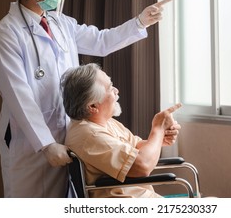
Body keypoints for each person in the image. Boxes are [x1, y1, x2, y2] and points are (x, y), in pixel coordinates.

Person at [0, 0, 171, 198]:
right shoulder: (6, 35)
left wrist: (140, 22)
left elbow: (102, 41)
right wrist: (46, 144)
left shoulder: (61, 23)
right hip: (29, 144)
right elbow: (19, 97)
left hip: (68, 134)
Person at [62, 63, 182, 198]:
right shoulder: (89, 135)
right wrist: (158, 129)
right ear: (93, 106)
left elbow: (137, 147)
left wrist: (160, 139)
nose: (116, 90)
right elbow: (143, 165)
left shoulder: (107, 123)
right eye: (109, 88)